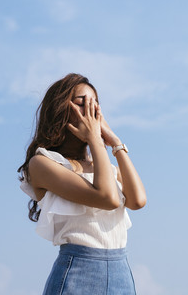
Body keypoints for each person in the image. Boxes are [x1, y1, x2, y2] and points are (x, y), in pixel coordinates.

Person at [18, 73, 146, 295]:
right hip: (78, 273)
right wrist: (95, 140)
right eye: (82, 103)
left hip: (121, 273)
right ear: (60, 109)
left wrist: (114, 142)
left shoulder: (103, 166)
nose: (92, 111)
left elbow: (138, 201)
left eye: (95, 104)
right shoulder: (42, 163)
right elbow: (107, 198)